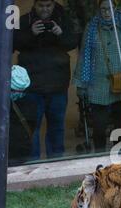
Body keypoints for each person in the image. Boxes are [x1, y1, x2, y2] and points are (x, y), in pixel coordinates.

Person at [73, 0, 121, 152]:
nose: (106, 13)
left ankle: (118, 155)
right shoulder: (92, 27)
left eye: (110, 9)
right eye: (103, 9)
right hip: (97, 84)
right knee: (99, 126)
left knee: (119, 125)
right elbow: (84, 56)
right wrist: (81, 83)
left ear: (116, 8)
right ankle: (99, 154)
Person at [13, 0, 78, 160]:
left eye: (48, 6)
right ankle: (33, 164)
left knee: (57, 128)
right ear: (34, 5)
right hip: (32, 87)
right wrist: (31, 33)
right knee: (31, 128)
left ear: (54, 5)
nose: (45, 10)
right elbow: (13, 44)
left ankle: (56, 162)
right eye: (41, 6)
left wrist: (60, 33)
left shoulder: (63, 19)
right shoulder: (24, 21)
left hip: (57, 86)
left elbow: (73, 43)